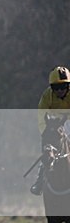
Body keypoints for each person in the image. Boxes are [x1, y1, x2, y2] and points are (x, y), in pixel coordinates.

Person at [31, 66, 70, 195]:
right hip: (54, 124)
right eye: (56, 88)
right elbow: (41, 117)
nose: (60, 91)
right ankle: (40, 179)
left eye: (63, 87)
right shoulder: (47, 96)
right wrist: (46, 133)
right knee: (48, 150)